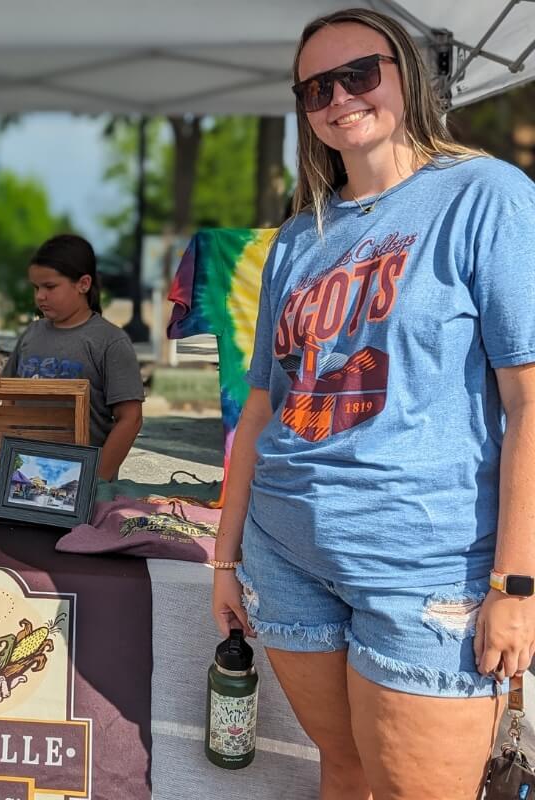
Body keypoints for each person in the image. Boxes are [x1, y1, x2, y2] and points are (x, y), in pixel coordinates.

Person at [210, 8, 535, 799]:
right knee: (343, 768)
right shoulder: (297, 238)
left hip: (427, 568)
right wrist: (225, 556)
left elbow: (529, 403)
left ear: (408, 76)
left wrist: (517, 585)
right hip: (286, 557)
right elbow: (262, 407)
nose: (339, 97)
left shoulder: (485, 196)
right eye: (316, 87)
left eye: (359, 73)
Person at [2, 234, 145, 480]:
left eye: (50, 287)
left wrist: (96, 480)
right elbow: (7, 401)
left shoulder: (110, 341)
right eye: (36, 287)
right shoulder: (30, 335)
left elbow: (130, 419)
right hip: (22, 478)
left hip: (81, 481)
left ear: (83, 284)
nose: (40, 296)